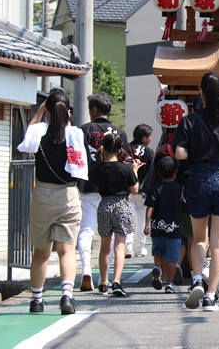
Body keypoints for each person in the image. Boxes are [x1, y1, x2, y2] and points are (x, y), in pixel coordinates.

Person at [172, 71, 219, 312]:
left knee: (198, 238)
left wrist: (193, 151)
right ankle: (211, 296)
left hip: (197, 179)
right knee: (218, 242)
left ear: (200, 92)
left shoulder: (189, 121)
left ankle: (196, 280)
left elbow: (179, 153)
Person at [17, 89, 88, 315]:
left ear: (47, 110)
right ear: (68, 112)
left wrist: (39, 112)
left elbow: (26, 142)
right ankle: (67, 296)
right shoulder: (75, 134)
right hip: (68, 195)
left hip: (43, 195)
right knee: (67, 250)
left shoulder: (38, 132)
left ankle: (36, 300)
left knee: (41, 252)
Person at [77, 93, 129, 292]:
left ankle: (86, 270)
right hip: (113, 190)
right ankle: (108, 278)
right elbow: (126, 160)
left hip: (88, 185)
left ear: (94, 109)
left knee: (86, 229)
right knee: (114, 236)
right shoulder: (119, 132)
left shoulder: (83, 131)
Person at [91, 133, 141, 296]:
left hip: (104, 205)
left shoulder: (97, 168)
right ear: (119, 150)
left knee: (105, 247)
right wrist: (134, 170)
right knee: (120, 246)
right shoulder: (125, 168)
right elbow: (135, 190)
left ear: (103, 148)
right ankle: (116, 281)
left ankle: (103, 282)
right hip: (121, 205)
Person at [144, 156, 186, 294]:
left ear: (159, 173)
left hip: (157, 228)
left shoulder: (155, 188)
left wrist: (147, 224)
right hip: (174, 228)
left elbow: (150, 207)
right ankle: (169, 283)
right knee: (172, 258)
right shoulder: (180, 189)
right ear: (176, 173)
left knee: (158, 252)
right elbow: (184, 208)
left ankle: (157, 267)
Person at [127, 124, 156, 257]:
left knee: (128, 219)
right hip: (144, 191)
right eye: (150, 137)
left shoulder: (126, 149)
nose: (150, 139)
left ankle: (127, 248)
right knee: (142, 221)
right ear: (144, 138)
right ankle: (139, 249)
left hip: (128, 190)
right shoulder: (149, 152)